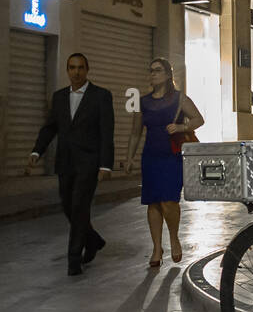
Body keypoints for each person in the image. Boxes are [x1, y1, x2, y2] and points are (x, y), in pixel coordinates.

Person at [27, 53, 114, 276]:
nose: (76, 72)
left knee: (79, 207)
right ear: (67, 70)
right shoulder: (59, 97)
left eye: (80, 68)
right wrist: (37, 151)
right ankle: (92, 240)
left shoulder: (101, 96)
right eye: (72, 68)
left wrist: (106, 165)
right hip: (65, 162)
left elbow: (106, 132)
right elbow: (50, 127)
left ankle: (73, 260)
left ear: (87, 70)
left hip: (89, 162)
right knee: (67, 206)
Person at [125, 58, 204, 268]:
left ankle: (174, 238)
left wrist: (181, 128)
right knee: (153, 202)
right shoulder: (142, 102)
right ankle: (157, 248)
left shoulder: (179, 99)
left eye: (158, 71)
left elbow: (198, 119)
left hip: (172, 156)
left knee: (169, 201)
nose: (153, 74)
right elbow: (135, 133)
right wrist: (129, 157)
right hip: (150, 156)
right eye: (151, 71)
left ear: (168, 75)